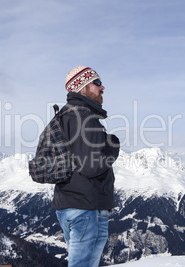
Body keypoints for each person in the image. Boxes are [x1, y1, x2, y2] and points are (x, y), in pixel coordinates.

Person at [53, 66, 120, 267]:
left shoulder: (67, 115)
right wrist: (112, 146)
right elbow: (91, 166)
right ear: (82, 87)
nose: (103, 87)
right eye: (97, 83)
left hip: (71, 203)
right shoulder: (84, 117)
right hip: (86, 207)